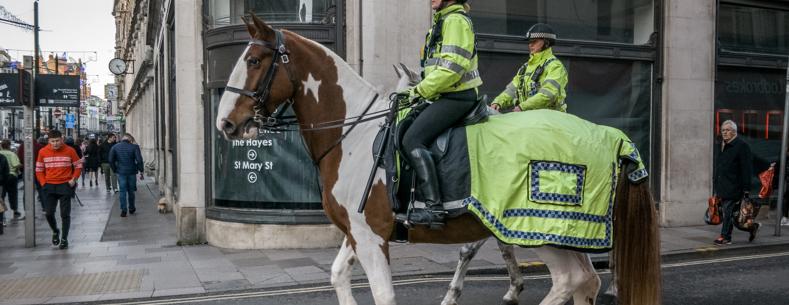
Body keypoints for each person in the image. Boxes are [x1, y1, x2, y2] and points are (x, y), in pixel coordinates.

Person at [397, 0, 481, 228]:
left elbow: (453, 67)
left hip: (457, 96)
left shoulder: (455, 21)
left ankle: (434, 210)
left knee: (412, 139)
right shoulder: (441, 22)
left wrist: (419, 91)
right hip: (441, 95)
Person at [490, 23, 568, 113]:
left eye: (534, 41)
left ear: (546, 43)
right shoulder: (525, 67)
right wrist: (498, 102)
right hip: (528, 119)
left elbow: (548, 95)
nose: (530, 45)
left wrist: (522, 107)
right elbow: (512, 90)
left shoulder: (555, 66)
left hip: (549, 120)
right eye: (529, 42)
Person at [713, 120, 758, 245]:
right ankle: (752, 227)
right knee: (734, 216)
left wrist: (746, 189)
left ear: (734, 131)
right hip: (722, 186)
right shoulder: (722, 145)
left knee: (728, 211)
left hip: (735, 186)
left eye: (727, 130)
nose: (724, 133)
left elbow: (747, 169)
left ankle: (725, 237)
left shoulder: (742, 146)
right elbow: (720, 167)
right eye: (723, 130)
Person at [36, 130, 82, 249]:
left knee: (64, 214)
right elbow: (39, 170)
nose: (55, 143)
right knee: (49, 212)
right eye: (53, 141)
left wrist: (74, 179)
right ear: (49, 141)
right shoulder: (43, 152)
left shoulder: (70, 150)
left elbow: (78, 165)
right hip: (49, 186)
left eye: (57, 141)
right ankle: (55, 231)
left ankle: (64, 239)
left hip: (65, 185)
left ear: (62, 139)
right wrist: (43, 183)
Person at [109, 134, 144, 217]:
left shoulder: (115, 147)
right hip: (132, 171)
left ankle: (123, 210)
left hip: (121, 172)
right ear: (130, 139)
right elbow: (139, 160)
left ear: (122, 139)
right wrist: (141, 170)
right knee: (131, 191)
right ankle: (131, 208)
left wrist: (115, 169)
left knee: (122, 191)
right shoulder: (134, 147)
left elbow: (110, 160)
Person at [0, 140, 21, 221]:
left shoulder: (1, 153)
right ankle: (15, 210)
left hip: (2, 178)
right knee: (13, 194)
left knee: (1, 196)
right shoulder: (12, 154)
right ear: (9, 146)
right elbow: (16, 164)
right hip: (11, 176)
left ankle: (2, 213)